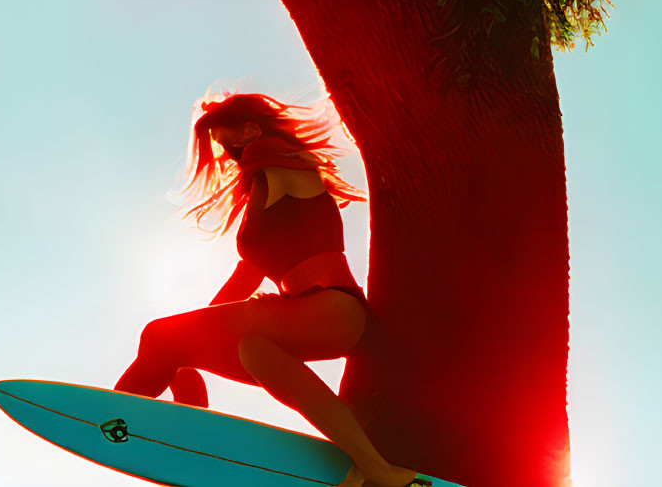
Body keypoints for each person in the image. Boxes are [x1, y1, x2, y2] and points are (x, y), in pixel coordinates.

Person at [115, 92, 428, 487]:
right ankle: (374, 469)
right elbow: (245, 277)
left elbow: (243, 277)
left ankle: (113, 420)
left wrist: (183, 341)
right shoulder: (271, 183)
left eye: (230, 144)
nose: (230, 156)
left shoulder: (273, 155)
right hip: (325, 313)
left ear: (252, 129)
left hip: (329, 305)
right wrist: (190, 347)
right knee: (249, 351)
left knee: (160, 335)